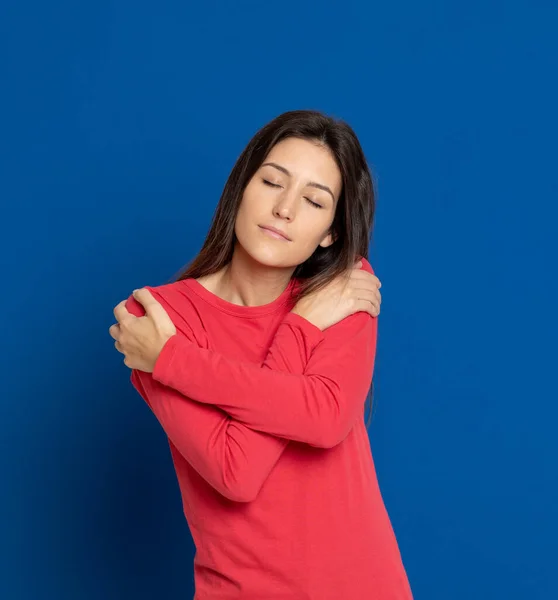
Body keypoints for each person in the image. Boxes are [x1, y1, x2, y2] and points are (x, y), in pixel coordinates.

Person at [109, 109, 413, 599]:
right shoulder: (156, 319)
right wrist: (303, 331)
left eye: (315, 201)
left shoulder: (341, 289)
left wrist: (173, 360)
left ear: (331, 231)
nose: (285, 209)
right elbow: (237, 471)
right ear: (242, 189)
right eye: (273, 182)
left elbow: (327, 416)